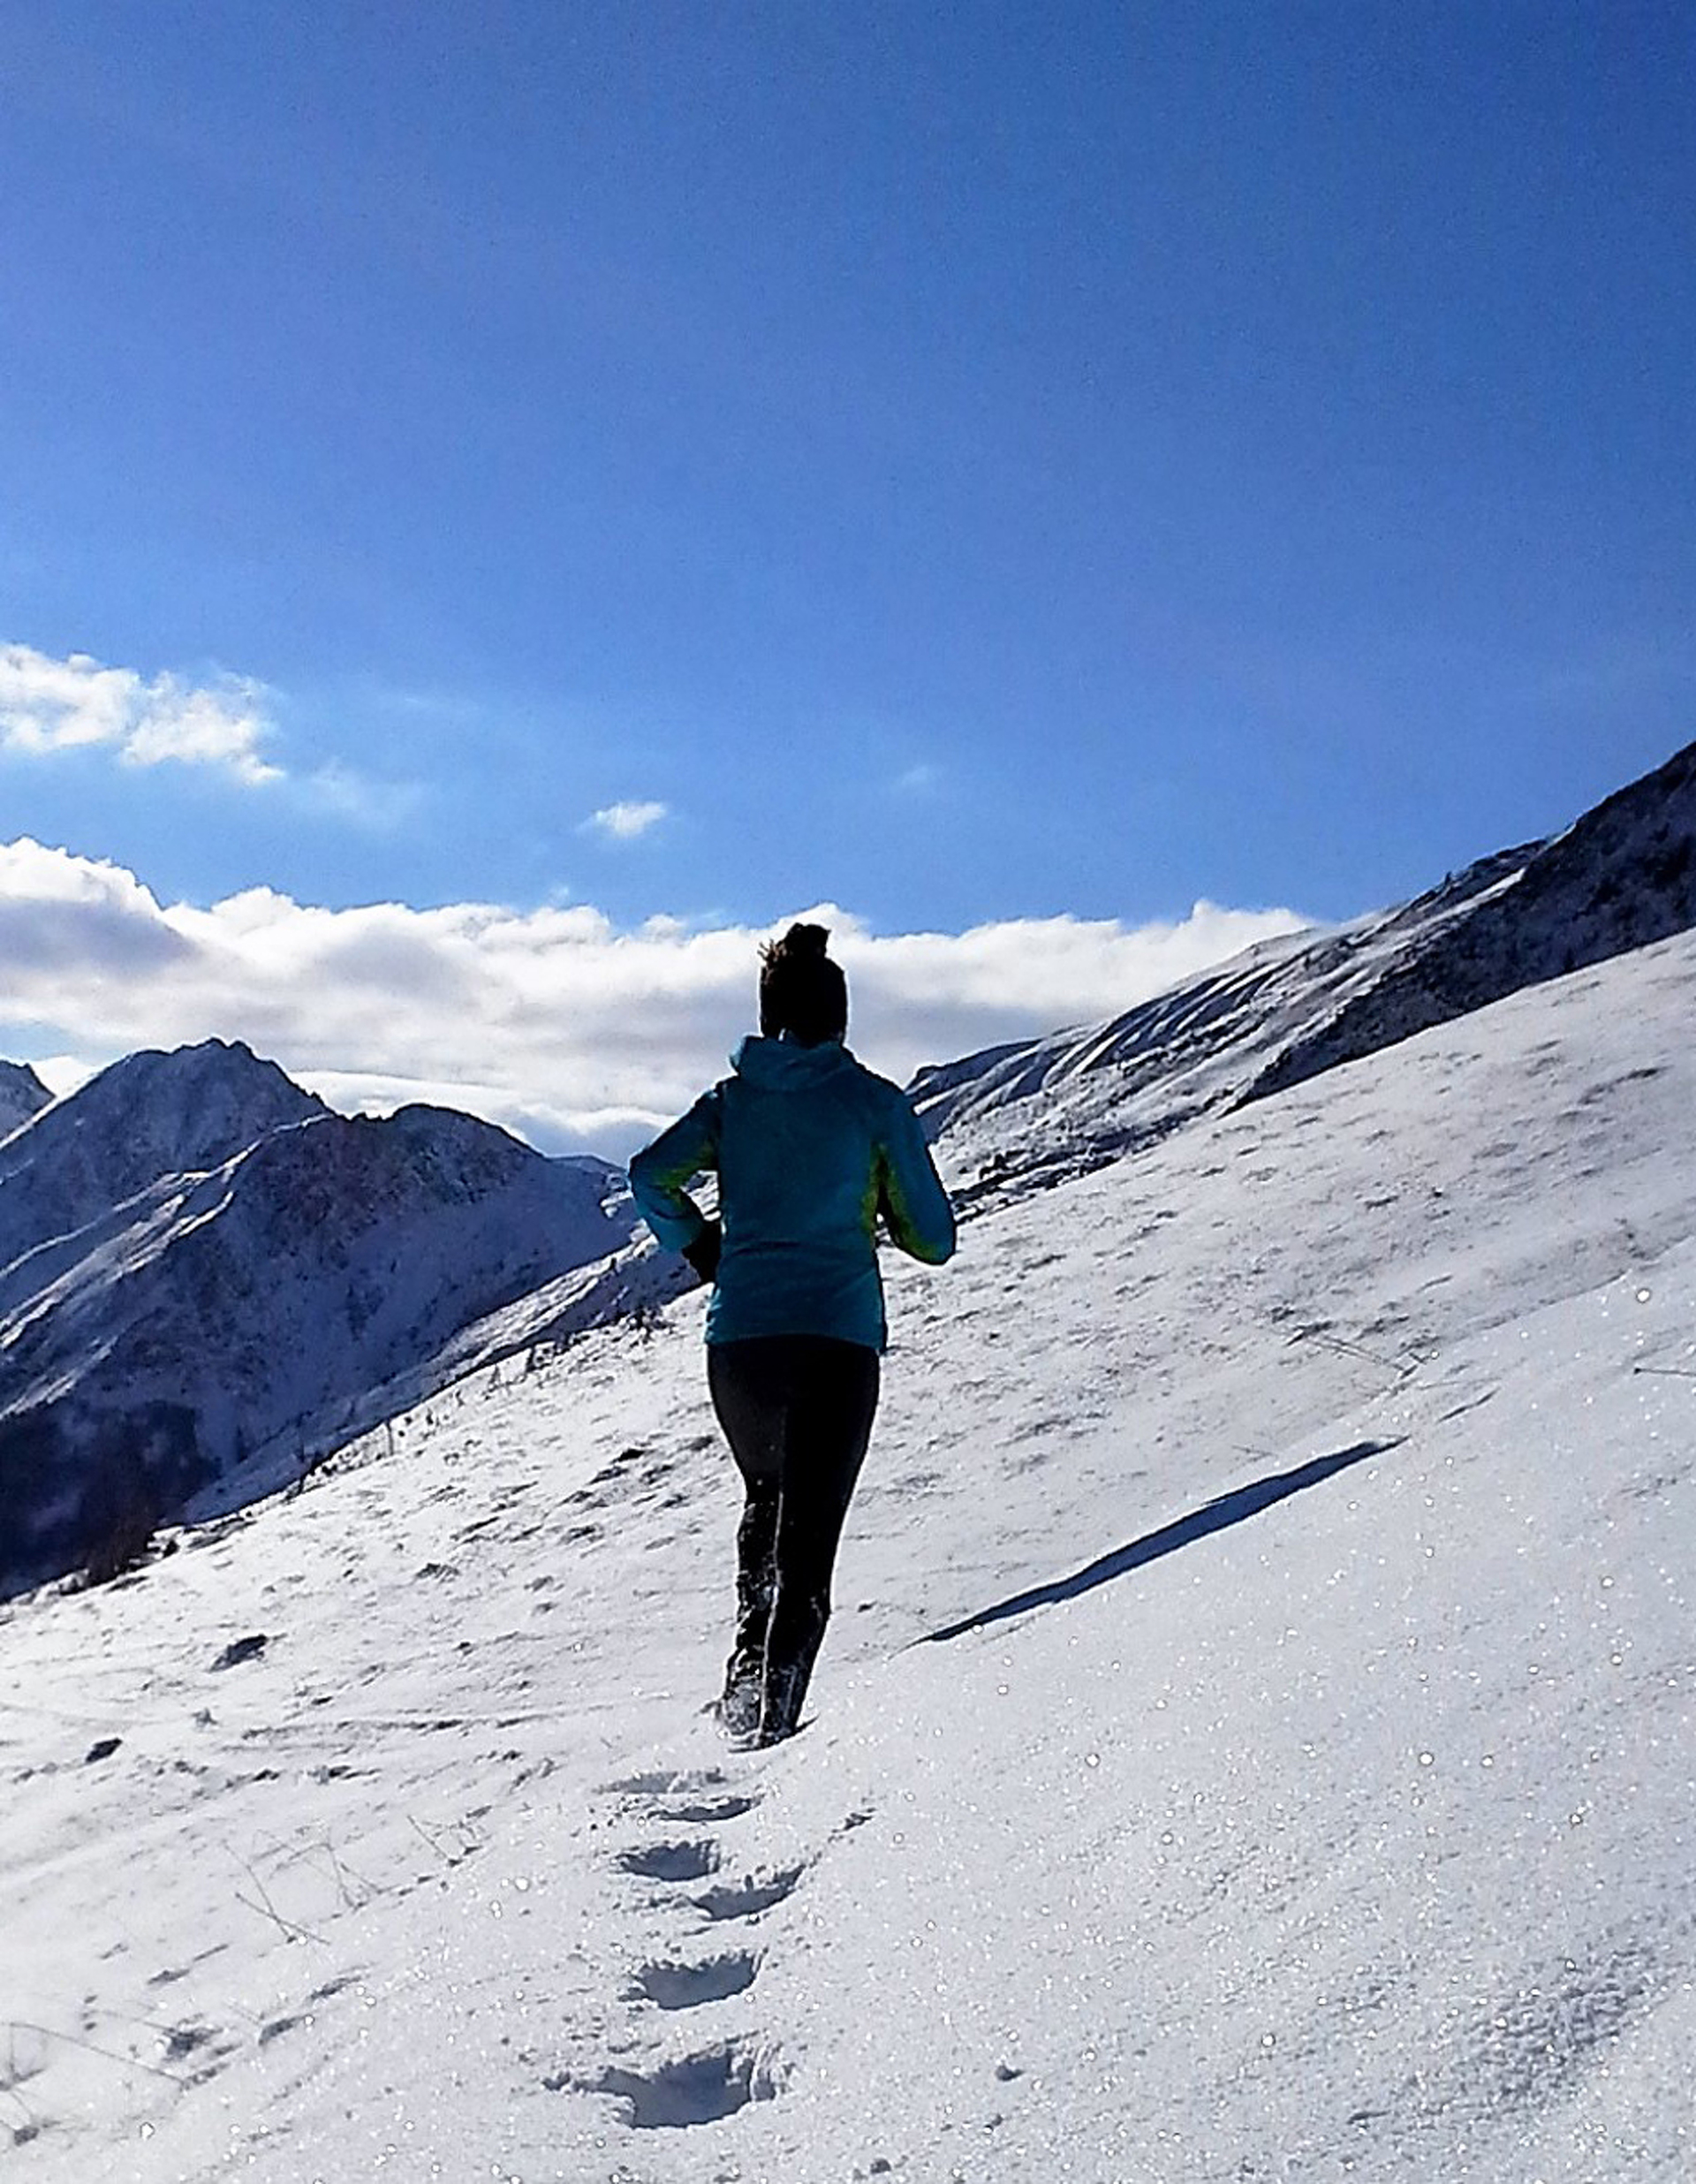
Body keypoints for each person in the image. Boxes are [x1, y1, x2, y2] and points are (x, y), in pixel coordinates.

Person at [627, 923, 956, 1746]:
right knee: (809, 1543)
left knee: (766, 1502)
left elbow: (648, 1176)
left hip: (738, 1348)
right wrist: (876, 1204)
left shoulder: (730, 1103)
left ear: (768, 1016)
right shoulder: (874, 1105)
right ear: (840, 1017)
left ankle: (742, 1694)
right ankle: (770, 1734)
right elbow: (935, 1239)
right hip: (835, 1344)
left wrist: (703, 1246)